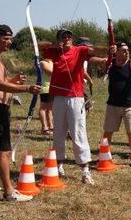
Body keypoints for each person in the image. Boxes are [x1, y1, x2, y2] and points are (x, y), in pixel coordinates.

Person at [0, 24, 41, 202]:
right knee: (3, 151)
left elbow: (0, 81)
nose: (9, 42)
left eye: (10, 38)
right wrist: (26, 87)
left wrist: (13, 81)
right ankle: (9, 192)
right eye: (6, 39)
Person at [42, 29, 110, 184]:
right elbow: (38, 46)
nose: (67, 38)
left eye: (69, 36)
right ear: (59, 39)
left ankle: (85, 171)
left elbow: (94, 50)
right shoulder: (54, 51)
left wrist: (108, 49)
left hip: (76, 98)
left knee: (78, 132)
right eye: (63, 37)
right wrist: (54, 44)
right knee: (58, 132)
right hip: (59, 98)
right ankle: (58, 165)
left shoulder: (79, 50)